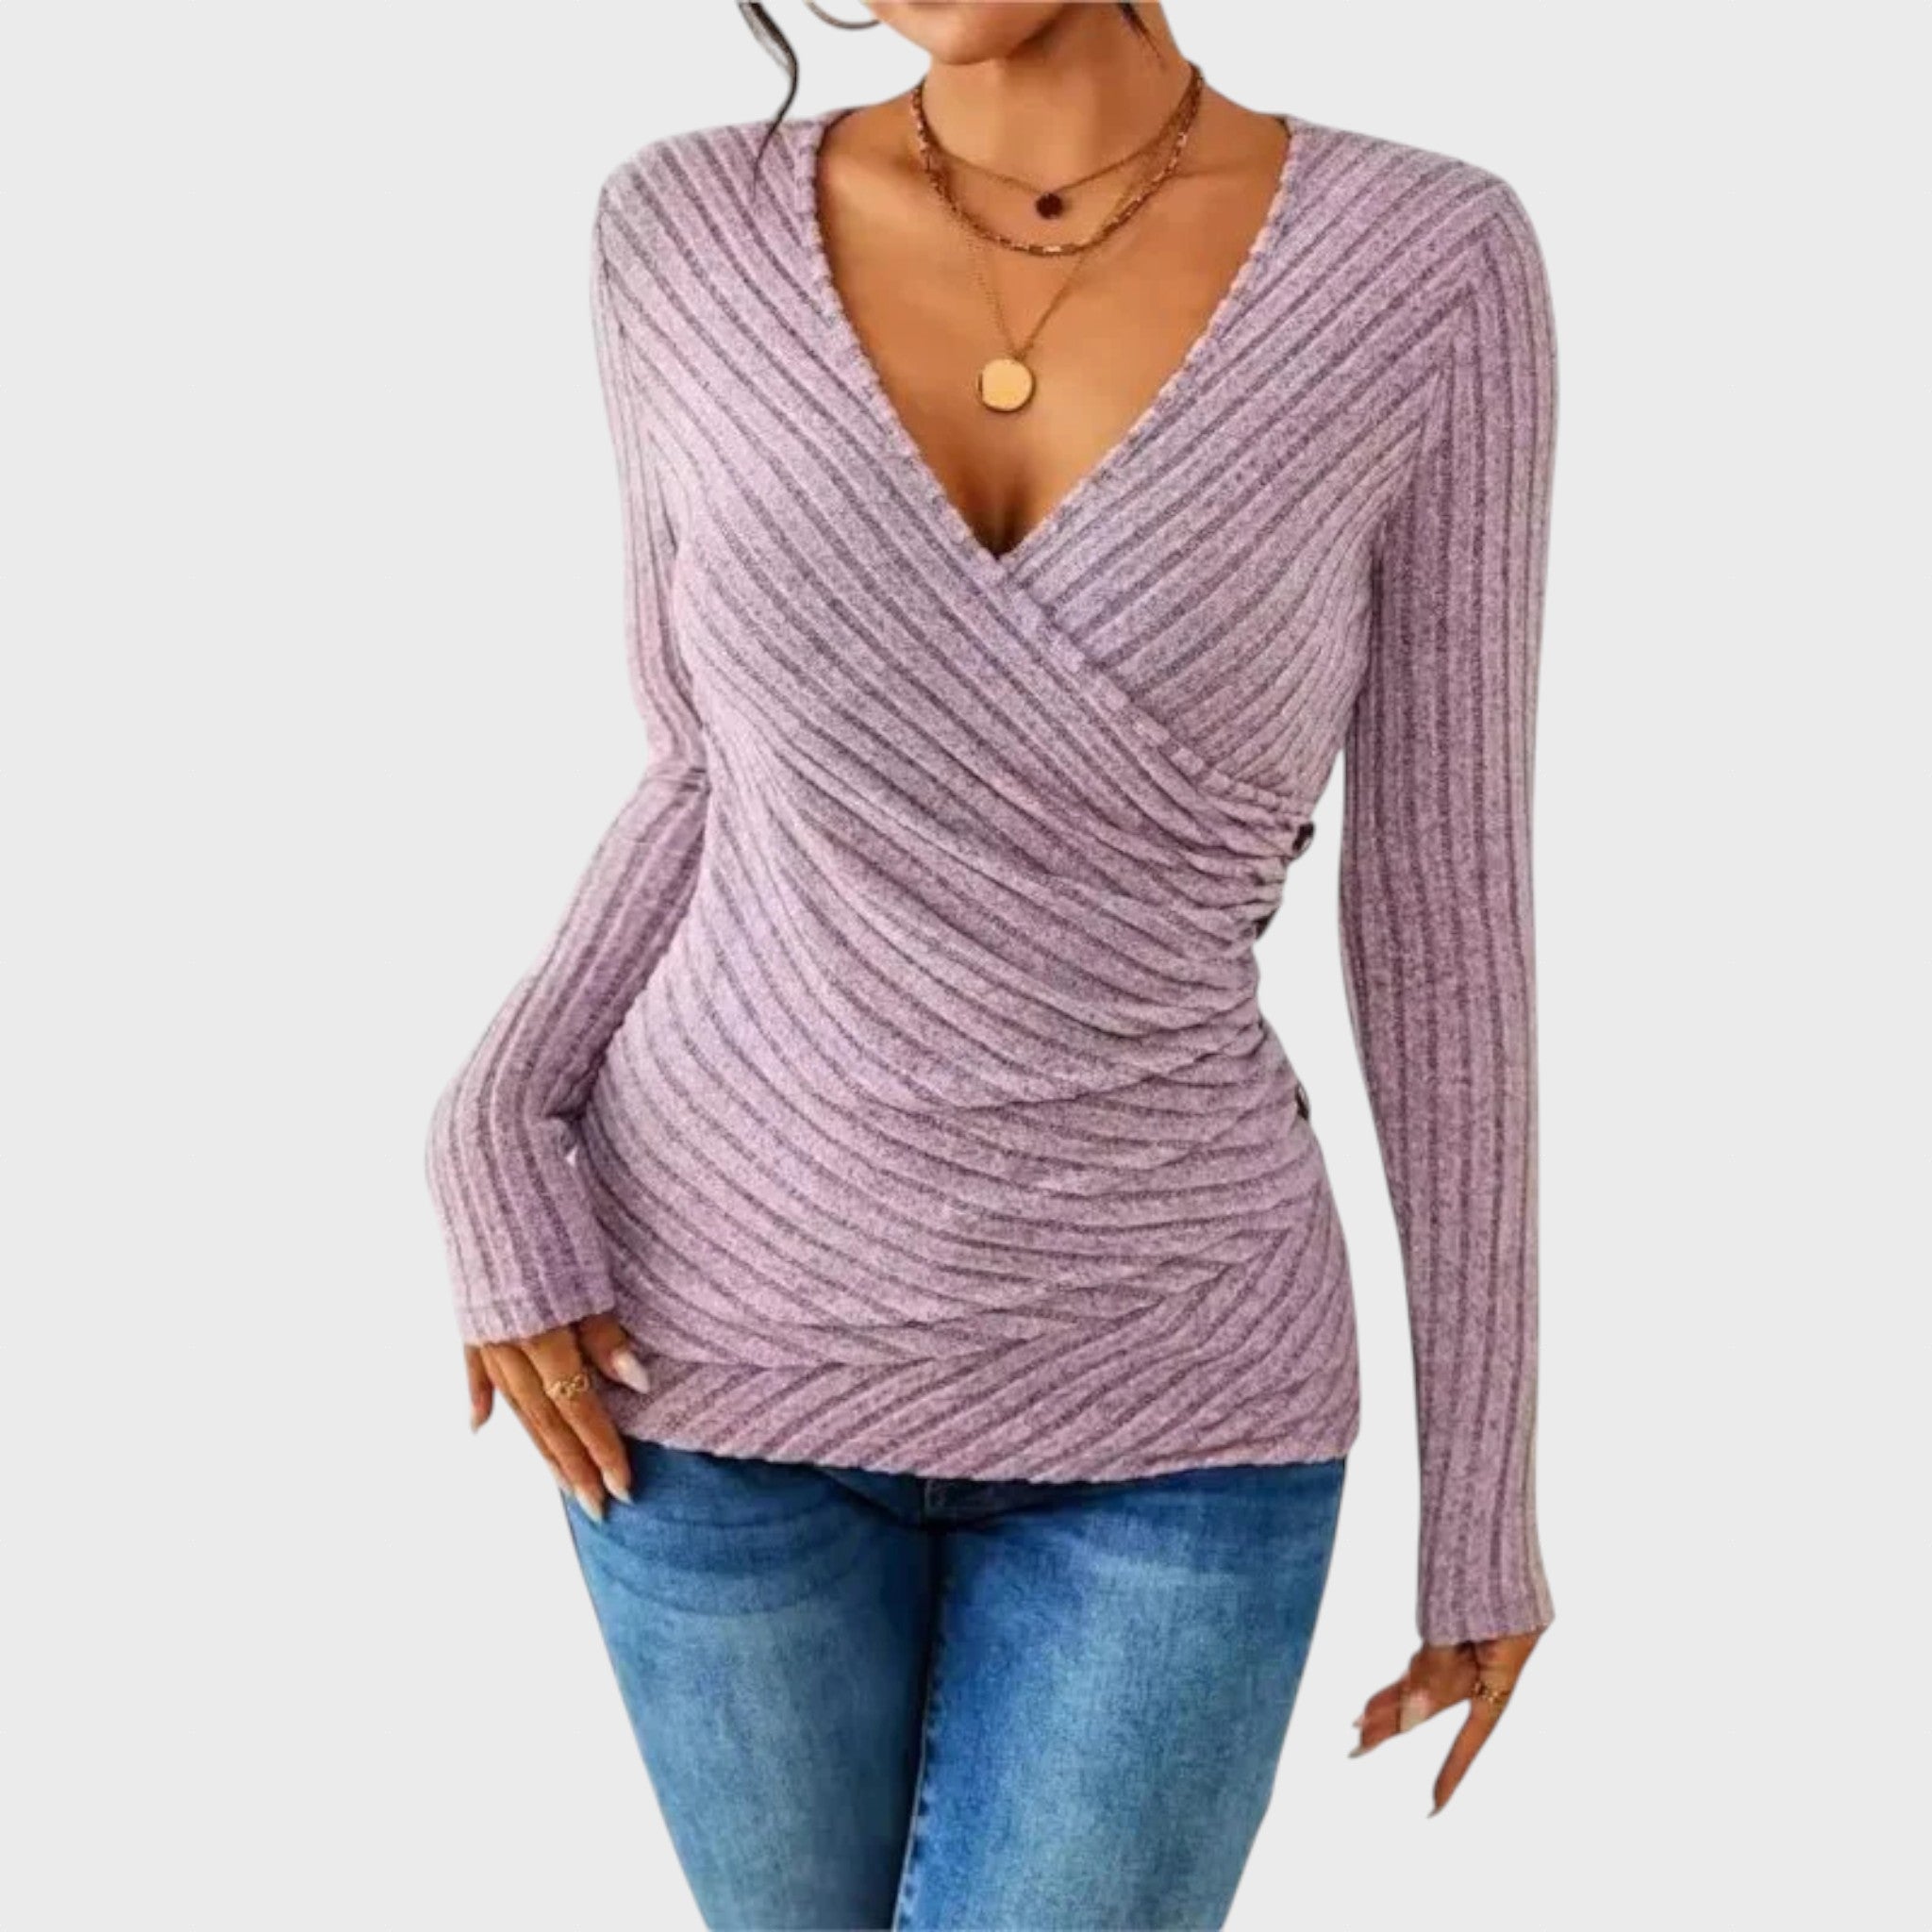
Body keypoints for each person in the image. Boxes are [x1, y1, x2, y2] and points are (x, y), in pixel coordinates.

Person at [424, 3, 1558, 1924]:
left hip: (1178, 1381)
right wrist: (487, 1123)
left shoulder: (1429, 264)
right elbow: (705, 768)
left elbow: (1443, 911)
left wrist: (1483, 1495)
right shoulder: (677, 227)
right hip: (702, 1351)